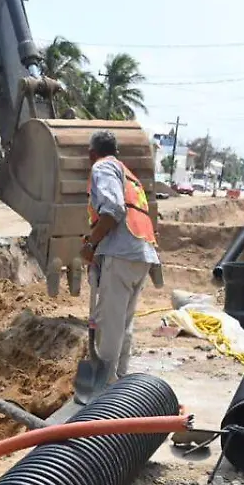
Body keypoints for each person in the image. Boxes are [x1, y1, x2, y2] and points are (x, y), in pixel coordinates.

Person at [81, 129, 160, 385]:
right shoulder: (127, 173)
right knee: (123, 323)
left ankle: (102, 388)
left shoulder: (102, 168)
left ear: (92, 154)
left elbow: (113, 209)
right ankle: (121, 384)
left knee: (109, 325)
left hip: (122, 253)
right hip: (141, 251)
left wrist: (91, 244)